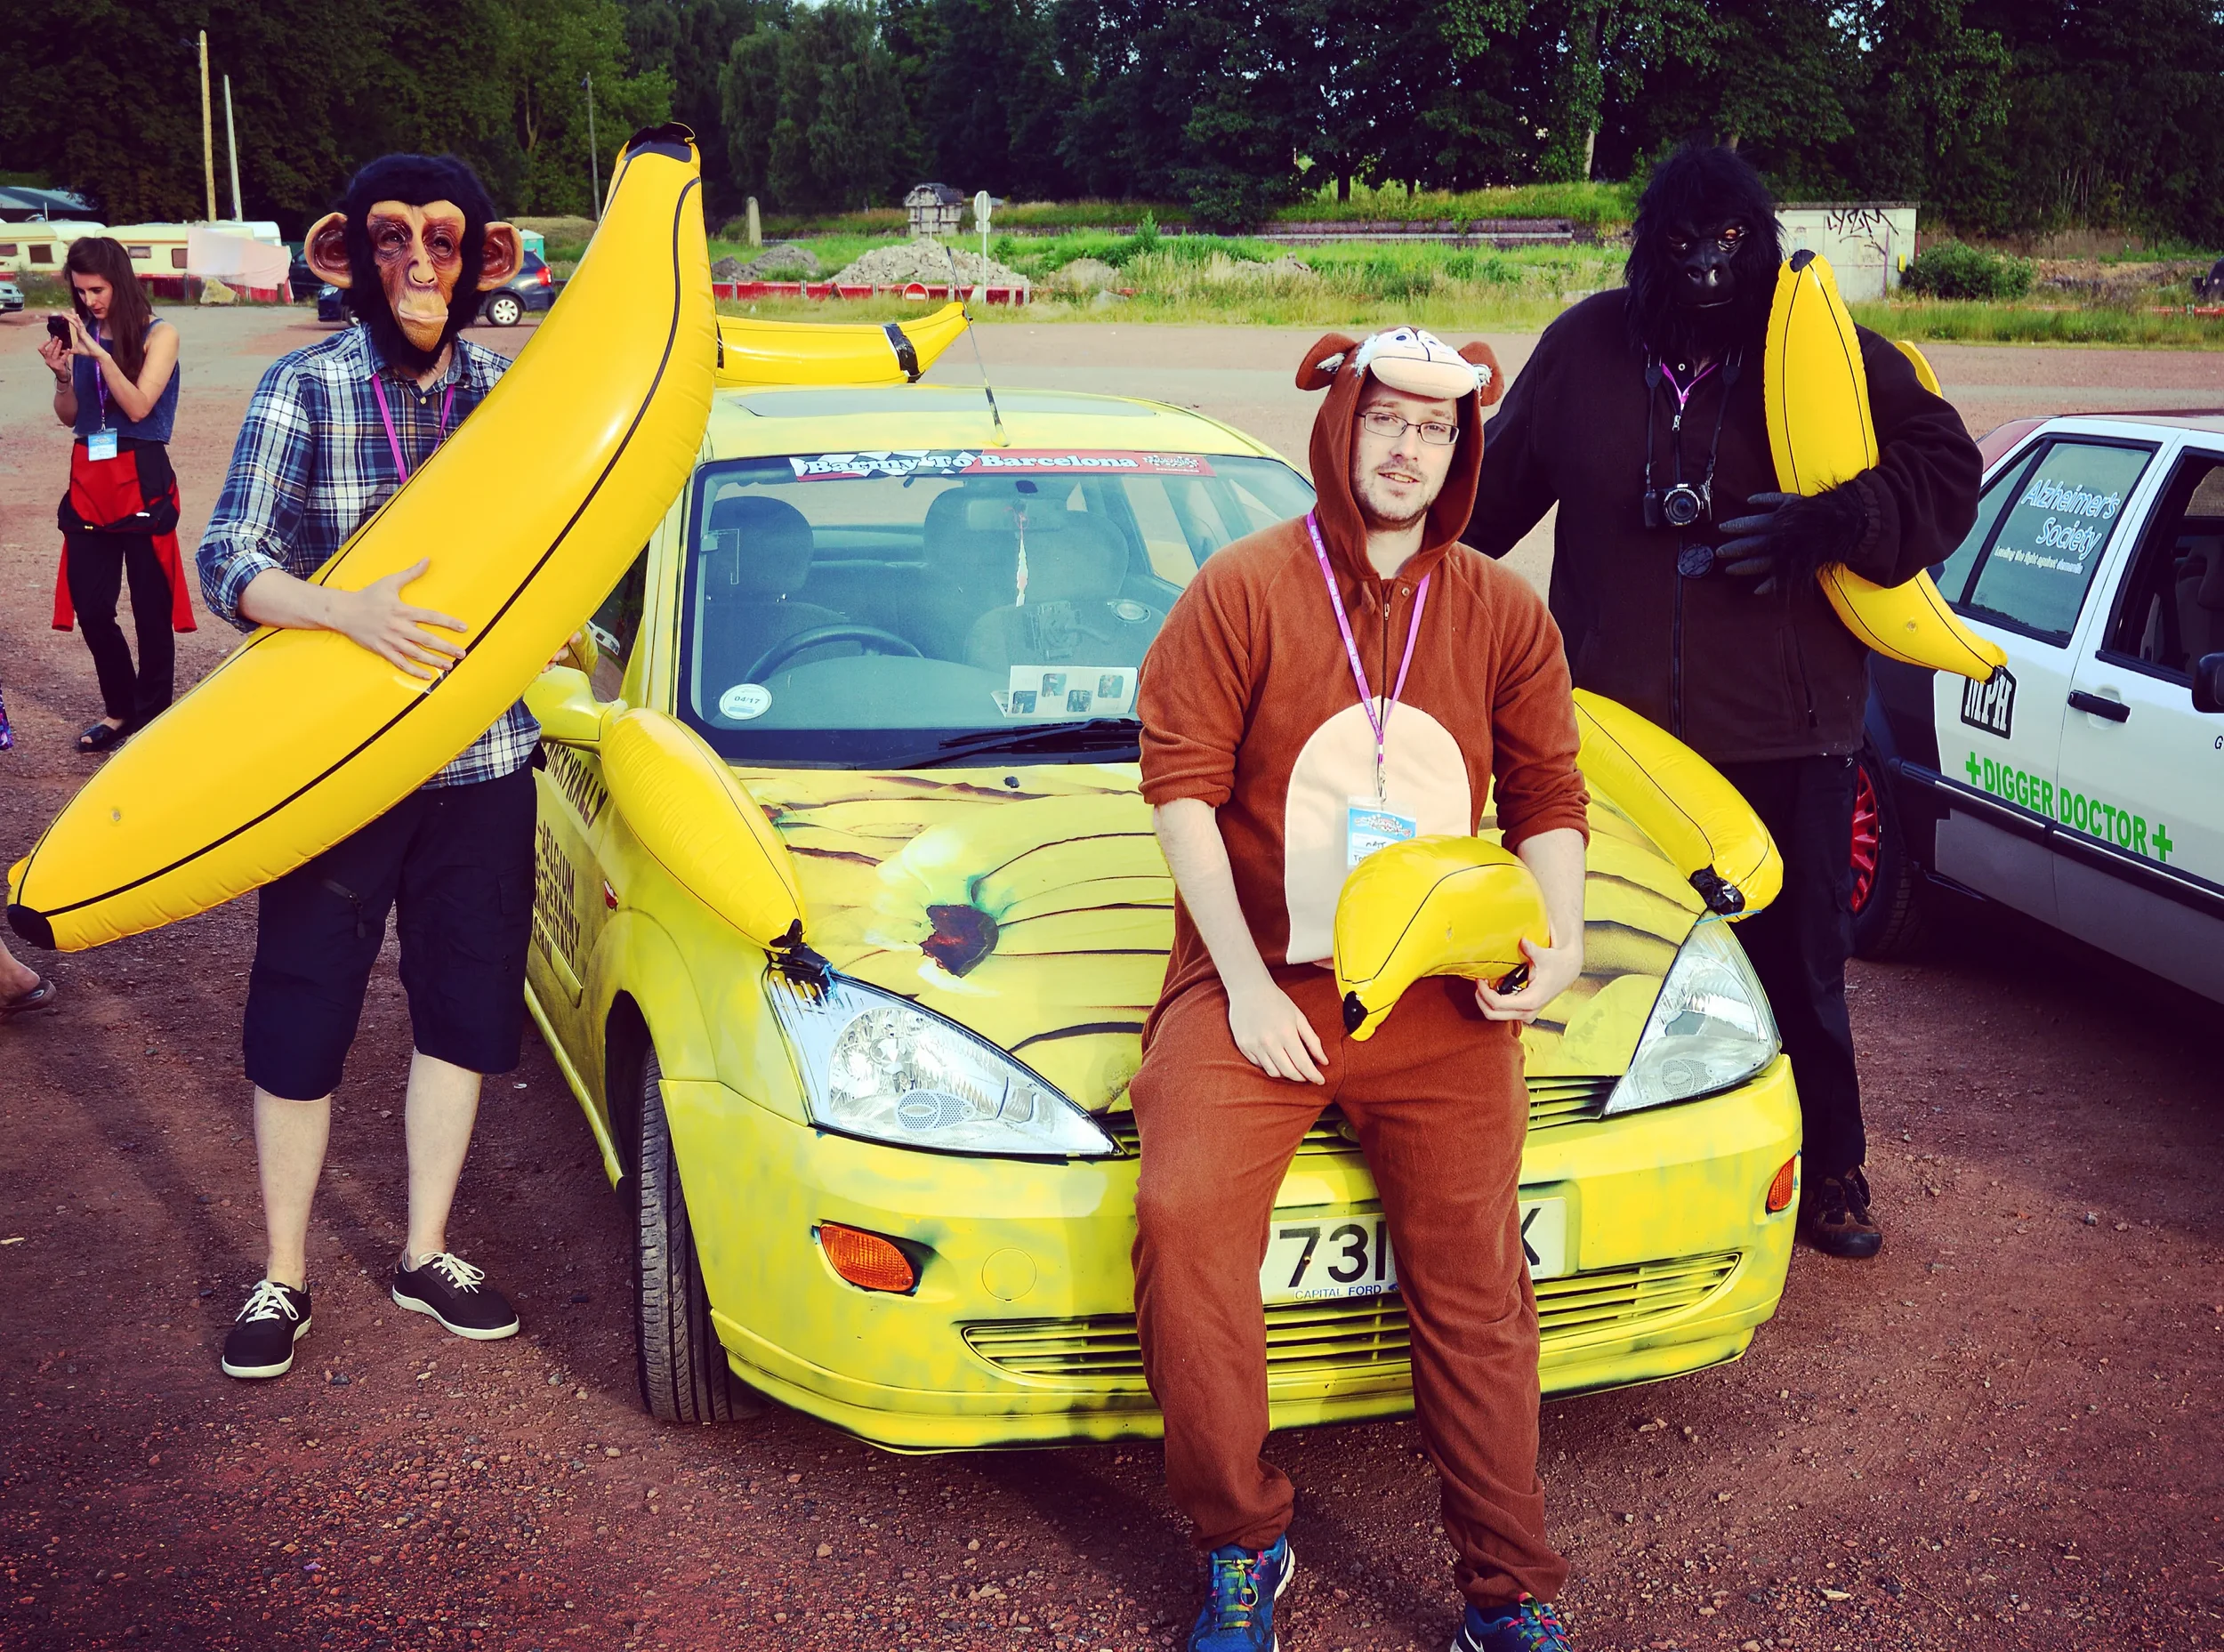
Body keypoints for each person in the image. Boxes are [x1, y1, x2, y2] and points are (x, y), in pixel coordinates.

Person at [1132, 326, 1591, 1652]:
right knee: (1180, 1217)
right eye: (1386, 420)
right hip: (1261, 980)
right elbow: (1181, 790)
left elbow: (1549, 793)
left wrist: (1557, 937)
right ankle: (1242, 1539)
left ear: (1463, 452)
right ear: (1341, 427)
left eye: (1435, 431)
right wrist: (1241, 985)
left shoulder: (1504, 610)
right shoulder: (1243, 588)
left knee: (1476, 1279)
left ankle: (1505, 1589)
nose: (1408, 450)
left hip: (1437, 997)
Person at [1462, 146, 1980, 1260]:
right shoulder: (1584, 348)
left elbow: (1946, 467)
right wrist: (1379, 534)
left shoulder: (1813, 351)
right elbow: (1483, 503)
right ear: (1648, 246)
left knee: (1798, 966)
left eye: (1732, 241)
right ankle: (1613, 1185)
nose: (1706, 265)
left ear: (1762, 241)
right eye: (1683, 241)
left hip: (1788, 731)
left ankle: (1830, 1170)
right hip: (1614, 737)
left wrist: (1833, 522)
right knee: (1612, 966)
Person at [196, 152, 531, 1382]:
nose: (420, 268)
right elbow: (227, 556)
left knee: (465, 1006)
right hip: (334, 768)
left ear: (488, 259)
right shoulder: (308, 387)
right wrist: (345, 612)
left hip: (484, 762)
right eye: (393, 241)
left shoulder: (515, 401)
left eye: (444, 242)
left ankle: (424, 1251)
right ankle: (283, 1272)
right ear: (344, 253)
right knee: (303, 1002)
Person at [37, 236, 192, 753]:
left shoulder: (160, 333)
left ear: (119, 282)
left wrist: (100, 356)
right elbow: (72, 417)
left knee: (151, 609)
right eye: (80, 292)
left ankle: (153, 717)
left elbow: (141, 406)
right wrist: (64, 376)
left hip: (142, 473)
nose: (89, 301)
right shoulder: (84, 334)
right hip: (91, 477)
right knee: (91, 606)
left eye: (97, 290)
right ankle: (121, 708)